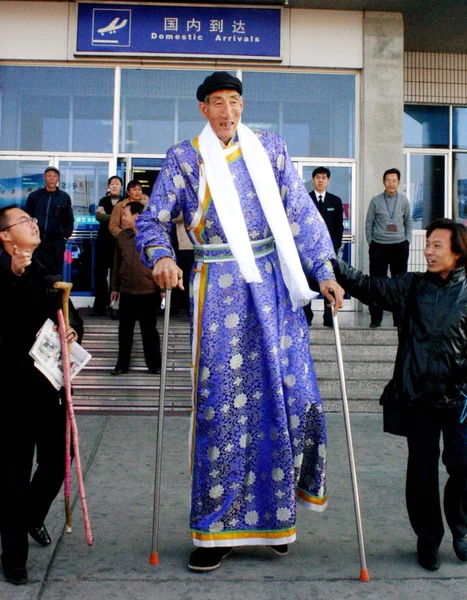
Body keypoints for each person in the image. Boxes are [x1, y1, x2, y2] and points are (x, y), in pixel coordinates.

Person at [136, 71, 344, 572]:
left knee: (289, 400)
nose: (227, 111)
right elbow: (151, 219)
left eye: (234, 101)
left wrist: (324, 270)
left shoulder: (269, 148)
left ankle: (276, 517)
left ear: (242, 105)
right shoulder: (184, 158)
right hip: (218, 291)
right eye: (217, 103)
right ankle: (216, 532)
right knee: (222, 408)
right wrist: (161, 256)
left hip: (273, 285)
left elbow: (301, 214)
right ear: (203, 109)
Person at [336, 218, 467, 572]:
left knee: (463, 466)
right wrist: (332, 264)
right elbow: (368, 286)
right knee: (421, 476)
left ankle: (461, 525)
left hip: (460, 401)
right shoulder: (412, 286)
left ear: (458, 252)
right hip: (418, 399)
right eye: (427, 243)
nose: (428, 250)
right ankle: (428, 541)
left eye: (437, 245)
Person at [0, 205, 82, 586]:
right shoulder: (4, 271)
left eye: (33, 220)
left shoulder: (44, 263)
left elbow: (67, 309)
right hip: (9, 390)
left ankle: (29, 515)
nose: (33, 223)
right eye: (23, 221)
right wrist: (13, 276)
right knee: (13, 475)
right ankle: (13, 557)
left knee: (59, 460)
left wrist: (72, 331)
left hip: (47, 385)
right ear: (5, 235)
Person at [110, 202, 161, 375]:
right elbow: (116, 264)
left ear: (136, 216)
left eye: (125, 214)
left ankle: (154, 365)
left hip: (149, 291)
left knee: (149, 331)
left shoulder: (153, 236)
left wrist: (162, 288)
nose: (122, 218)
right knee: (124, 331)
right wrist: (114, 288)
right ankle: (121, 365)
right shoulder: (122, 237)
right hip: (127, 291)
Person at [365, 168, 412, 327]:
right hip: (379, 246)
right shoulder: (376, 201)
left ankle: (398, 319)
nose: (391, 183)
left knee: (399, 284)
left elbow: (409, 222)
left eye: (394, 180)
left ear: (399, 182)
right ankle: (375, 319)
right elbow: (369, 222)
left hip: (399, 246)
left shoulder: (404, 201)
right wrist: (371, 241)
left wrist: (407, 241)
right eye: (388, 180)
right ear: (383, 182)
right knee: (377, 283)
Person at [305, 167, 344, 327]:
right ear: (313, 180)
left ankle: (329, 317)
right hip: (309, 253)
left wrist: (334, 246)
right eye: (318, 177)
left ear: (328, 180)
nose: (321, 180)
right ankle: (307, 316)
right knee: (308, 284)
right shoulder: (305, 200)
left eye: (324, 177)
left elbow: (338, 227)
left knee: (329, 283)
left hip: (328, 253)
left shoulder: (335, 201)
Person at [24, 166, 74, 275]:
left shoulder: (64, 197)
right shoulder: (35, 196)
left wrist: (65, 235)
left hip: (57, 241)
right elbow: (27, 216)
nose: (51, 178)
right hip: (37, 240)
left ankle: (55, 292)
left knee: (55, 271)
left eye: (54, 176)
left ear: (58, 179)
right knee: (36, 270)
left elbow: (69, 219)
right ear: (44, 178)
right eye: (49, 176)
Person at [92, 176, 123, 316]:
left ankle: (115, 307)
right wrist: (117, 217)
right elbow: (99, 217)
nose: (114, 186)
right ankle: (100, 305)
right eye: (112, 183)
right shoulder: (103, 200)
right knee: (100, 273)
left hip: (118, 241)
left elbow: (123, 219)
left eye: (117, 183)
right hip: (103, 241)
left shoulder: (125, 202)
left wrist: (108, 216)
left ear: (121, 187)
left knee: (117, 275)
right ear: (108, 186)